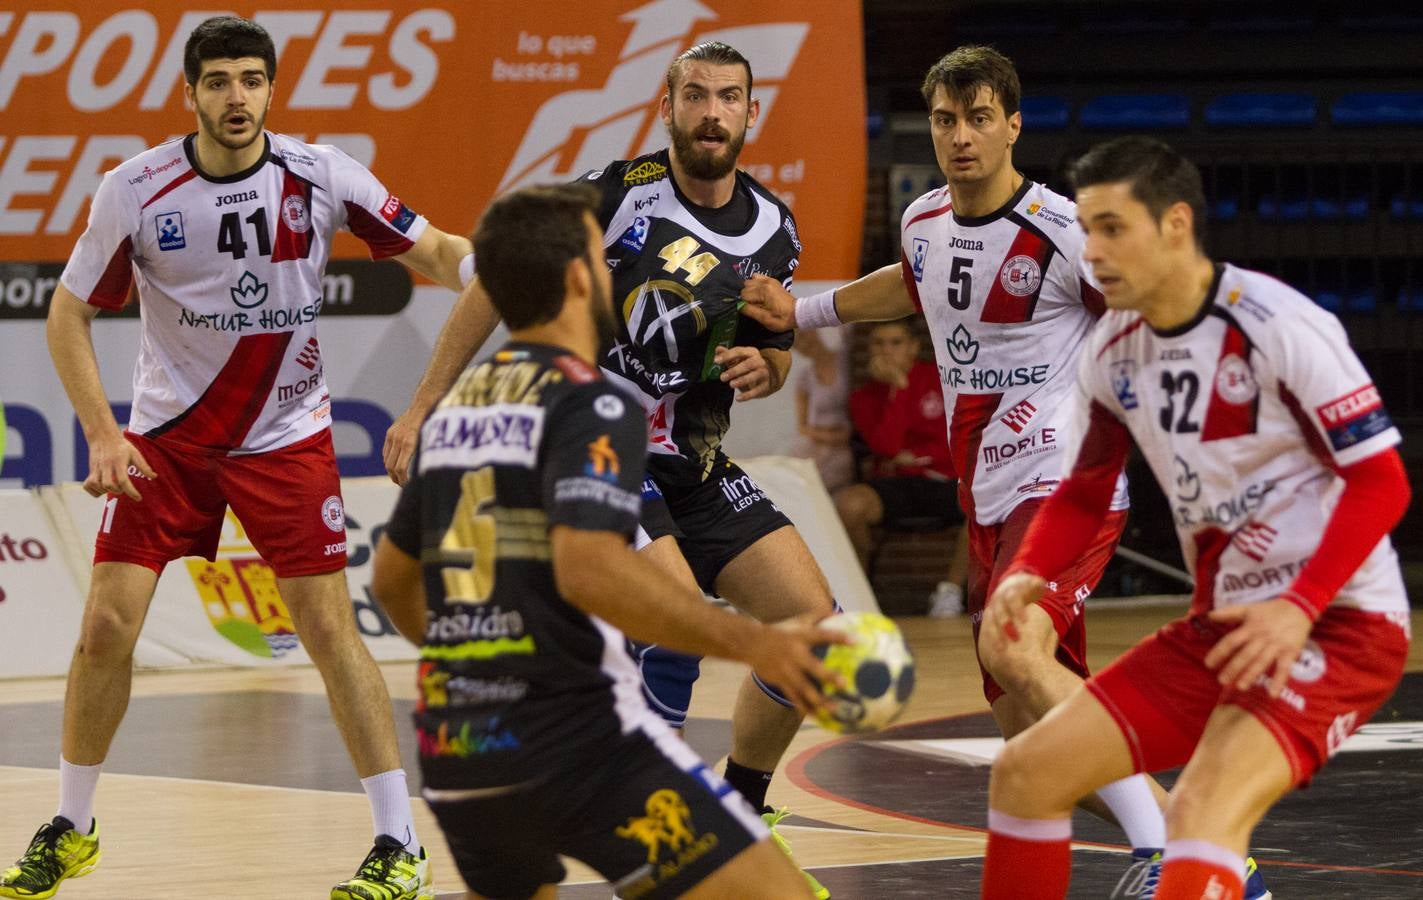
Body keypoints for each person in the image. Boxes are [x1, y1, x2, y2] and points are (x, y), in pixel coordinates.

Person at [741, 46, 1245, 897]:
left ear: (1012, 124)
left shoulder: (1058, 229)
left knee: (1009, 644)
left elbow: (1158, 307)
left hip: (1062, 481)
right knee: (1031, 737)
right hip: (986, 490)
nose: (961, 136)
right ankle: (1207, 851)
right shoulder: (924, 222)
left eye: (979, 118)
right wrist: (804, 309)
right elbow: (910, 284)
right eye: (945, 120)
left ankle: (1171, 859)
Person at [0, 16, 472, 900]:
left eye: (252, 80)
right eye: (217, 81)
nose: (236, 97)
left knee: (329, 633)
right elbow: (68, 314)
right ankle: (71, 825)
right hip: (167, 440)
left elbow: (436, 249)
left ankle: (397, 845)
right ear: (190, 94)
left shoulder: (320, 174)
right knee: (104, 627)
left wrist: (491, 265)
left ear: (271, 89)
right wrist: (103, 433)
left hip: (285, 439)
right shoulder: (135, 188)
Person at [382, 41, 838, 898]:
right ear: (667, 106)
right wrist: (421, 402)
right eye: (694, 95)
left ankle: (740, 803)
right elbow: (493, 275)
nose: (710, 112)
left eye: (727, 98)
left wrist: (765, 367)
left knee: (814, 623)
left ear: (750, 113)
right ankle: (666, 819)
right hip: (606, 447)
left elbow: (772, 344)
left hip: (694, 462)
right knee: (673, 620)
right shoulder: (618, 193)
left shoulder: (774, 227)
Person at [979, 136, 1412, 899]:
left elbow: (1381, 483)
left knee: (1203, 815)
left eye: (1113, 228)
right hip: (1223, 627)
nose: (1093, 251)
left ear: (1175, 224)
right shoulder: (1111, 348)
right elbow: (1083, 489)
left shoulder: (1277, 325)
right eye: (1085, 229)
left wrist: (1296, 606)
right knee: (1026, 772)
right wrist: (1027, 571)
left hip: (1339, 624)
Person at [835, 321, 968, 617]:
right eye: (879, 344)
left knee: (986, 502)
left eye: (895, 342)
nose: (887, 350)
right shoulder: (863, 397)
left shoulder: (942, 379)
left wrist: (920, 456)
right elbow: (887, 448)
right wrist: (899, 389)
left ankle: (950, 592)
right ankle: (859, 594)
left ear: (913, 347)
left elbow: (957, 439)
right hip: (894, 483)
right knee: (850, 504)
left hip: (944, 478)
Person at [790, 329, 852, 493]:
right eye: (797, 344)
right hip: (819, 443)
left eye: (804, 336)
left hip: (846, 444)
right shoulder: (805, 378)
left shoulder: (844, 360)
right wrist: (828, 437)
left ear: (815, 332)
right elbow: (802, 426)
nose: (804, 344)